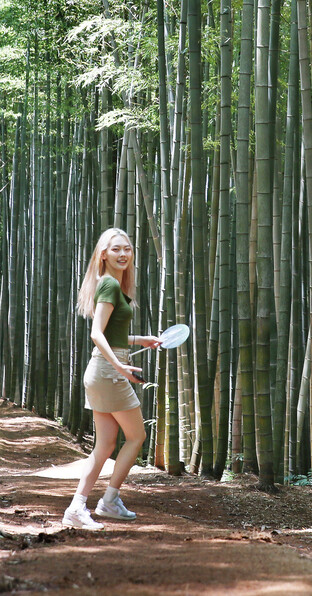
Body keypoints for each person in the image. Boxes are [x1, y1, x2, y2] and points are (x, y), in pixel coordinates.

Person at [62, 227, 161, 530]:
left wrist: (138, 339)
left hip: (101, 371)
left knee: (104, 446)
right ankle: (109, 500)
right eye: (116, 249)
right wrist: (120, 367)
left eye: (127, 249)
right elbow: (96, 334)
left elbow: (111, 335)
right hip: (108, 371)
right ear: (103, 254)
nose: (122, 254)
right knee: (136, 437)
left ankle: (78, 507)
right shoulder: (109, 285)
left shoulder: (112, 285)